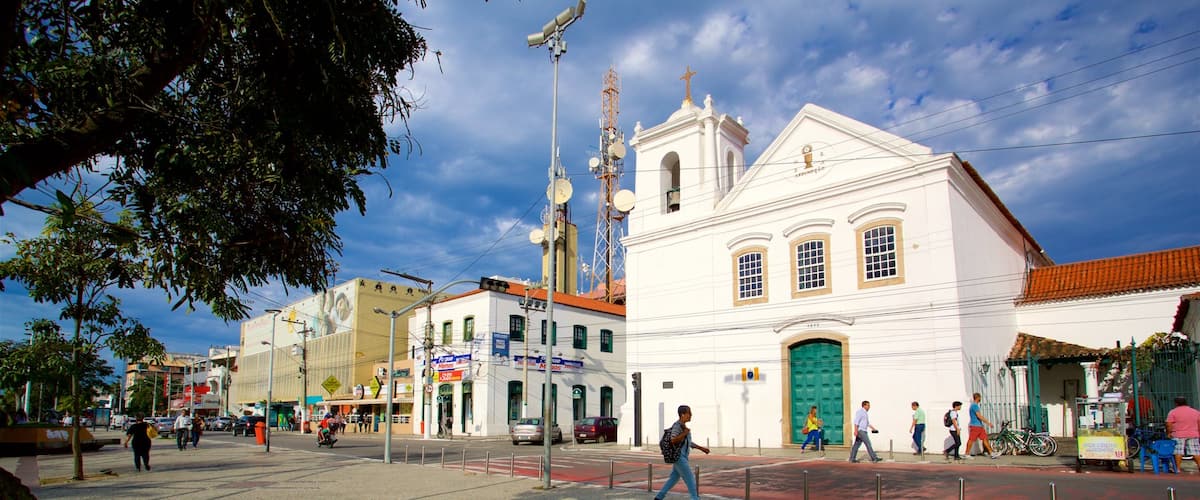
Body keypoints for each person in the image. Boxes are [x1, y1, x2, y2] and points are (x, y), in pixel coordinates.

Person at [654, 405, 710, 500]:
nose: (691, 415)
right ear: (682, 414)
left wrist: (701, 448)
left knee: (673, 478)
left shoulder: (683, 426)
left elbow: (687, 442)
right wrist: (685, 433)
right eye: (689, 413)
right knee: (690, 478)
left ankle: (659, 497)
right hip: (679, 457)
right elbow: (673, 439)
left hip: (682, 456)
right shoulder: (677, 426)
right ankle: (695, 498)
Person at [1165, 396, 1200, 473]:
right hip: (1193, 434)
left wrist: (1169, 433)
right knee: (1196, 451)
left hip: (1178, 434)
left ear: (1176, 403)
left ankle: (1177, 468)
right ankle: (1199, 466)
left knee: (1178, 452)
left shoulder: (1173, 412)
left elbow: (1169, 424)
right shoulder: (1195, 412)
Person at [964, 393, 1000, 459]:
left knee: (985, 439)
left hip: (979, 426)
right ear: (978, 398)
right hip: (975, 426)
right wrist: (988, 423)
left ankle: (991, 453)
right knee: (971, 439)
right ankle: (967, 453)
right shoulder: (974, 406)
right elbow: (979, 416)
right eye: (980, 397)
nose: (980, 399)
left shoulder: (974, 406)